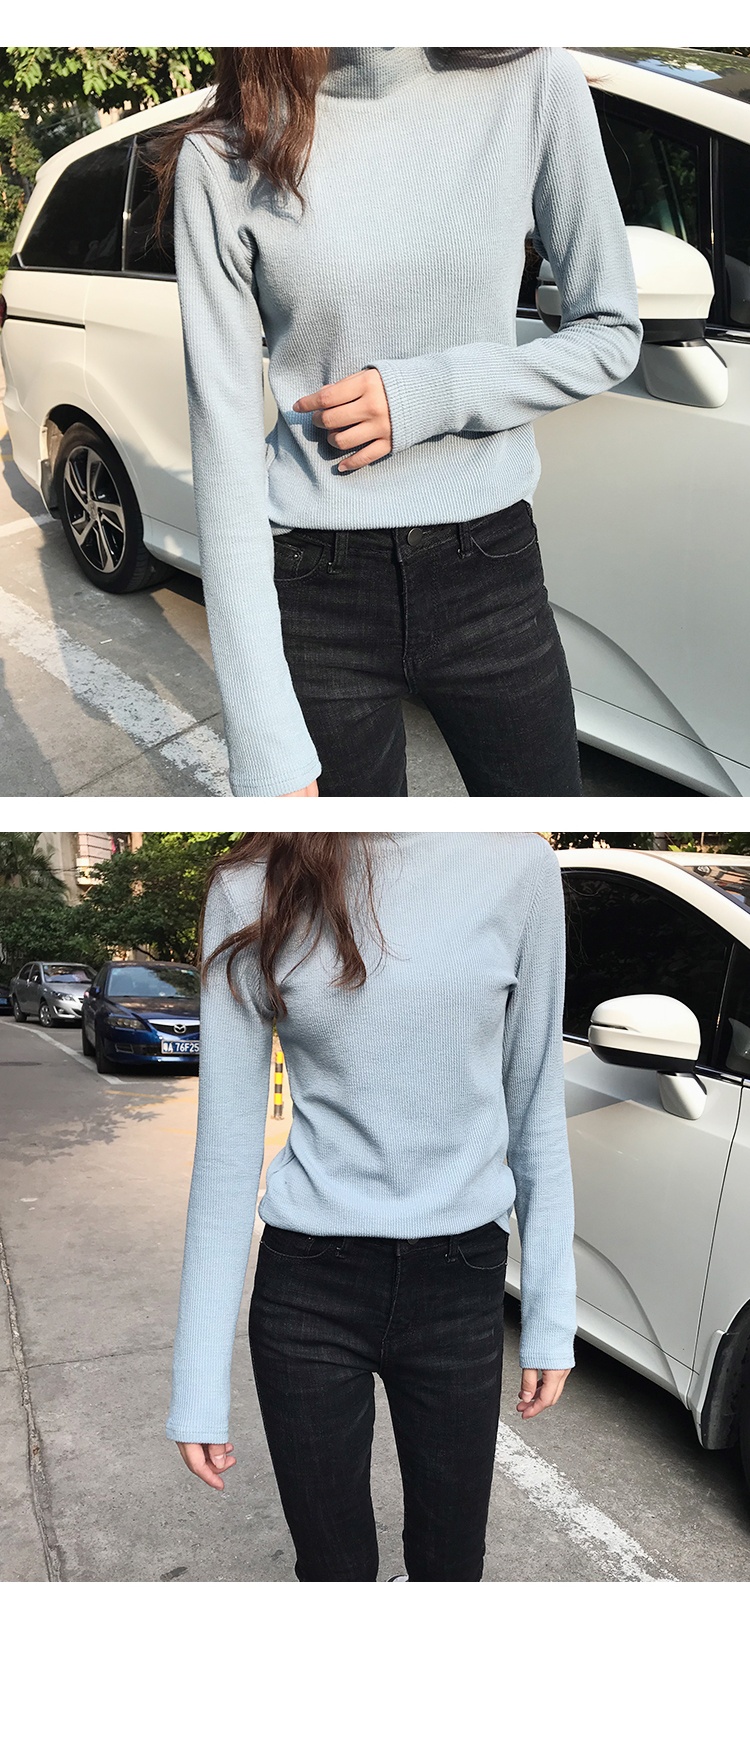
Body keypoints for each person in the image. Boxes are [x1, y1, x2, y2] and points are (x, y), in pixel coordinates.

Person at [162, 46, 641, 797]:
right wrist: (262, 738)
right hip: (315, 589)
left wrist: (435, 392)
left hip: (489, 573)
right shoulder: (225, 151)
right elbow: (223, 455)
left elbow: (610, 332)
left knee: (532, 844)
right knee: (350, 867)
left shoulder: (533, 82)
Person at [167, 831, 576, 1582]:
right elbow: (226, 1149)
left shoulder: (517, 863)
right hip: (308, 1291)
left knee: (451, 1569)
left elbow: (535, 1105)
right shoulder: (250, 885)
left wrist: (551, 1315)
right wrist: (197, 1378)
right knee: (333, 1572)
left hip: (459, 1285)